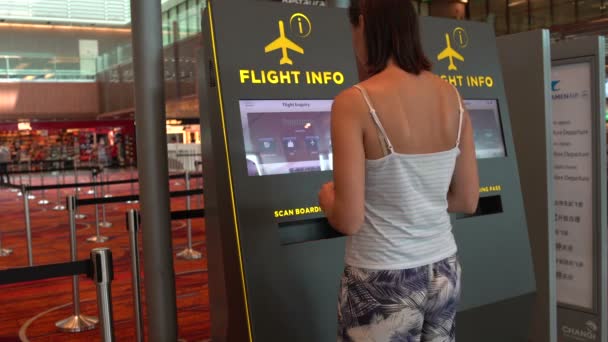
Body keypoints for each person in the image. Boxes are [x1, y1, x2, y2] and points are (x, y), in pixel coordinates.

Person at [317, 1, 479, 341]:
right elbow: (466, 199)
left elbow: (348, 219)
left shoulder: (354, 102)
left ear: (362, 24)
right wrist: (416, 202)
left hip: (382, 276)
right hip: (443, 270)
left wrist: (327, 197)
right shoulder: (452, 96)